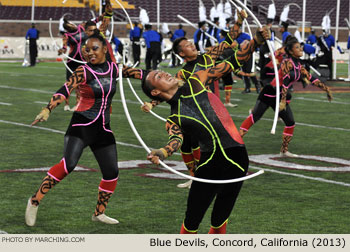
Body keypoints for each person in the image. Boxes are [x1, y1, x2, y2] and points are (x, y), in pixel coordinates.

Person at [141, 26, 270, 234]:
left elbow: (232, 62)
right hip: (210, 164)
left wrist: (256, 40)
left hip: (238, 158)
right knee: (191, 222)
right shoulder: (174, 117)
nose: (163, 72)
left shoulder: (197, 79)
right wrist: (162, 152)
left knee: (220, 221)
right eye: (158, 76)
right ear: (156, 91)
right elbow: (176, 139)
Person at [25, 32, 144, 227]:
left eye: (94, 48)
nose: (89, 53)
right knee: (68, 165)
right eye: (86, 50)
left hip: (103, 128)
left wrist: (166, 81)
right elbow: (65, 89)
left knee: (111, 172)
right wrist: (48, 108)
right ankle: (34, 201)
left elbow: (141, 74)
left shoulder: (115, 69)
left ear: (105, 49)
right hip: (81, 126)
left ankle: (99, 213)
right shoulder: (83, 71)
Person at [142, 9, 249, 188]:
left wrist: (238, 20)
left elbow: (229, 40)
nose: (191, 44)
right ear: (181, 53)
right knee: (186, 144)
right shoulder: (181, 74)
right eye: (186, 45)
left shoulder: (208, 57)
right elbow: (170, 93)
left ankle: (206, 174)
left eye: (190, 42)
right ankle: (194, 177)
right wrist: (151, 104)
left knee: (207, 144)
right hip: (189, 110)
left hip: (208, 108)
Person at [239, 36, 333, 157]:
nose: (300, 49)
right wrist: (283, 101)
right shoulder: (287, 62)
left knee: (290, 122)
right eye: (297, 47)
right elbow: (286, 82)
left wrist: (326, 89)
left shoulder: (299, 65)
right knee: (255, 117)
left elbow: (311, 78)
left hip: (280, 95)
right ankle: (235, 139)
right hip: (270, 92)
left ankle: (284, 151)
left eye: (300, 47)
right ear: (290, 51)